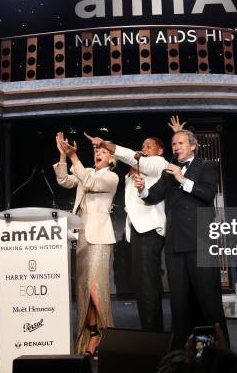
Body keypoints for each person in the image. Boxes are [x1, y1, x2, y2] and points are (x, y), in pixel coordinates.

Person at [82, 115, 185, 332]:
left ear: (159, 151)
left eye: (149, 146)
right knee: (142, 285)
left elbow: (136, 159)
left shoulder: (158, 163)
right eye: (143, 145)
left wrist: (105, 144)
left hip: (150, 229)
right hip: (138, 230)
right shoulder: (136, 170)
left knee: (148, 284)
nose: (144, 148)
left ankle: (153, 335)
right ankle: (150, 331)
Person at [134, 130, 228, 349]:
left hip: (200, 242)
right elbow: (154, 195)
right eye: (174, 144)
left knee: (209, 301)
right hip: (175, 244)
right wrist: (142, 190)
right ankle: (181, 356)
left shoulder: (206, 166)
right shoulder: (168, 171)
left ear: (193, 146)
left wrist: (182, 178)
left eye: (180, 143)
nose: (176, 147)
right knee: (179, 304)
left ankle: (221, 354)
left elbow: (207, 194)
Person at [52, 132, 119, 356]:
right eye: (96, 151)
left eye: (103, 152)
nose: (98, 153)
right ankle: (92, 333)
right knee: (84, 290)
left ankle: (108, 335)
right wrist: (63, 157)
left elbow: (90, 183)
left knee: (96, 287)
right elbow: (64, 180)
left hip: (100, 237)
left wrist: (74, 158)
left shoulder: (111, 178)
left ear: (112, 159)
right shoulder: (86, 171)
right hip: (82, 236)